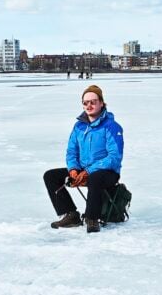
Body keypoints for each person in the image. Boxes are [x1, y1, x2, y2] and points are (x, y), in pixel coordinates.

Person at [43, 84, 124, 233]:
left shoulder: (112, 126)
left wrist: (88, 171)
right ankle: (71, 215)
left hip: (107, 172)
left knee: (94, 178)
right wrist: (73, 169)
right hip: (82, 169)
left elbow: (114, 157)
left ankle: (92, 219)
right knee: (51, 176)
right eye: (86, 102)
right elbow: (71, 151)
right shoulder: (79, 126)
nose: (89, 105)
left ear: (101, 103)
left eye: (93, 101)